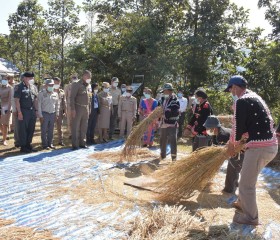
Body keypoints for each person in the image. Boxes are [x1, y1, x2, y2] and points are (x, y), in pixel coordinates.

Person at [225, 75, 278, 226]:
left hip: (259, 149)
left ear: (234, 87)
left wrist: (232, 145)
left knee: (246, 184)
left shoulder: (241, 101)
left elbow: (237, 127)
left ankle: (250, 218)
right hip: (269, 146)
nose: (231, 93)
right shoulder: (255, 97)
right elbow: (259, 124)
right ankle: (242, 203)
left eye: (231, 90)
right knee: (247, 177)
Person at [203, 115, 244, 194]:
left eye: (208, 128)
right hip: (234, 149)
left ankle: (229, 190)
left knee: (232, 167)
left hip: (240, 150)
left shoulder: (222, 135)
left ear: (214, 128)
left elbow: (225, 152)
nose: (207, 130)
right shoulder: (216, 135)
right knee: (234, 167)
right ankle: (234, 183)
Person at [14, 71, 38, 153]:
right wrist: (19, 112)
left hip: (32, 110)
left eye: (32, 78)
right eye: (30, 78)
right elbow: (17, 100)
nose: (31, 79)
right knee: (23, 129)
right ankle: (23, 146)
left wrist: (36, 110)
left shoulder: (33, 87)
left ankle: (28, 144)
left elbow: (35, 99)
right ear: (24, 78)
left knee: (31, 128)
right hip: (23, 110)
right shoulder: (19, 87)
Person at [70, 70, 92, 150]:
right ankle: (75, 144)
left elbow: (89, 98)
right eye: (89, 77)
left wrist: (89, 109)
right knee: (75, 126)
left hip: (86, 108)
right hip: (78, 108)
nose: (90, 78)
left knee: (84, 126)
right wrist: (73, 109)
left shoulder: (88, 86)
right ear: (84, 76)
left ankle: (82, 143)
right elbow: (72, 97)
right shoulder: (76, 84)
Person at [159, 83, 180, 161]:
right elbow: (159, 108)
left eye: (164, 91)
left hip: (171, 123)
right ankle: (162, 155)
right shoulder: (162, 99)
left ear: (169, 91)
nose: (164, 93)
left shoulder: (175, 100)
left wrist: (165, 115)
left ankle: (173, 158)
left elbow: (175, 112)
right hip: (163, 123)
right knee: (162, 139)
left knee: (173, 140)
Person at [38, 79, 60, 150]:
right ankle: (45, 144)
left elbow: (57, 105)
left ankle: (50, 143)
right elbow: (39, 105)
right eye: (50, 85)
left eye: (52, 85)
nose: (51, 86)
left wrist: (57, 114)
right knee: (44, 130)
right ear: (46, 85)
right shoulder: (41, 93)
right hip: (45, 113)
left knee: (51, 129)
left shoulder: (55, 94)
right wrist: (40, 116)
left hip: (52, 113)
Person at [53, 77, 66, 146]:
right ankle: (50, 142)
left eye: (58, 83)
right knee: (50, 127)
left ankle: (60, 141)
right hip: (52, 111)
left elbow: (64, 102)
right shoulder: (50, 91)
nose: (56, 84)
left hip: (60, 112)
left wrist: (64, 111)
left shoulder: (62, 92)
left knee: (60, 127)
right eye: (55, 83)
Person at [0, 76, 13, 145]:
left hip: (6, 108)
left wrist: (9, 109)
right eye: (3, 79)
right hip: (0, 106)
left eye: (5, 79)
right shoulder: (0, 87)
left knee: (5, 124)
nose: (4, 80)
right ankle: (4, 134)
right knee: (0, 124)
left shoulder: (10, 88)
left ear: (8, 80)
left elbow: (11, 100)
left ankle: (4, 140)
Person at [64, 74, 78, 139]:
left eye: (75, 77)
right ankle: (71, 134)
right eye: (73, 77)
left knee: (77, 119)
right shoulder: (67, 86)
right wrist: (66, 106)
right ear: (71, 78)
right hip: (69, 104)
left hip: (77, 104)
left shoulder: (79, 86)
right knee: (70, 119)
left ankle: (77, 133)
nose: (74, 78)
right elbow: (65, 96)